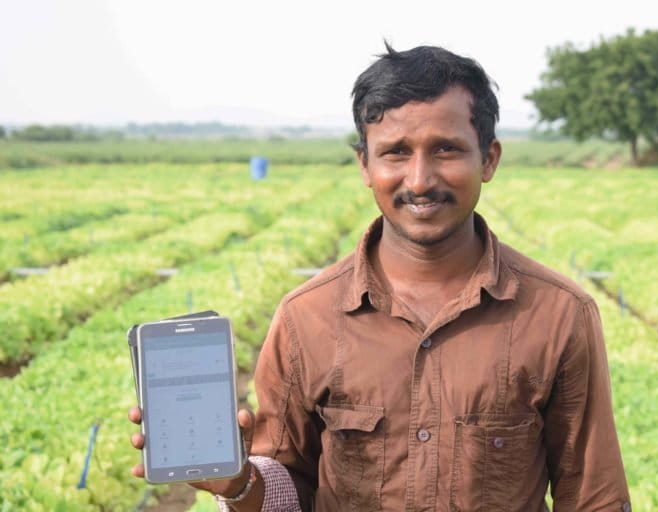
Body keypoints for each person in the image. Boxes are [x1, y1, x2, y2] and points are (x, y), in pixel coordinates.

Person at [130, 43, 631, 511]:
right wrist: (240, 485)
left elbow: (593, 495)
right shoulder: (307, 317)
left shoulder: (559, 313)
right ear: (365, 165)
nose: (419, 180)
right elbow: (287, 485)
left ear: (489, 160)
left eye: (446, 150)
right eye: (395, 152)